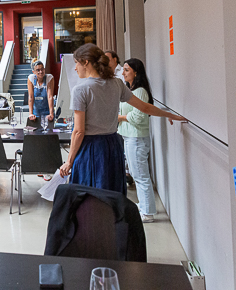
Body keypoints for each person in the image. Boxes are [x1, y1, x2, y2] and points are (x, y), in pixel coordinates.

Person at [58, 44, 185, 193]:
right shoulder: (116, 83)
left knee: (90, 194)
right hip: (113, 144)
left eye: (76, 63)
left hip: (90, 147)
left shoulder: (81, 90)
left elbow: (79, 131)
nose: (75, 68)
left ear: (86, 62)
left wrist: (69, 161)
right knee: (112, 192)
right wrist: (169, 114)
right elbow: (145, 107)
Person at [118, 58, 156, 223]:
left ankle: (147, 213)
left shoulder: (140, 92)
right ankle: (144, 205)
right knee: (136, 173)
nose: (123, 73)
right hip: (130, 136)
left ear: (136, 72)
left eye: (126, 70)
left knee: (141, 175)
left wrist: (120, 117)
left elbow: (138, 116)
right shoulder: (130, 90)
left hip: (137, 138)